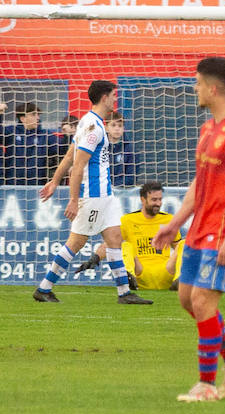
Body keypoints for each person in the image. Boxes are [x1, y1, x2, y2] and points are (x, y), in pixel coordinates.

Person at [152, 58, 225, 401]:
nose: (194, 89)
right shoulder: (208, 128)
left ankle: (206, 385)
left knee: (202, 301)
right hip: (200, 228)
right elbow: (200, 184)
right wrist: (174, 223)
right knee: (187, 300)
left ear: (212, 88)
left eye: (197, 83)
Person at [32, 80, 152, 306]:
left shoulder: (90, 122)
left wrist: (54, 181)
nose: (115, 99)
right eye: (113, 95)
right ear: (104, 98)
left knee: (115, 238)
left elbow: (69, 156)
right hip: (93, 195)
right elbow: (77, 165)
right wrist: (73, 200)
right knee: (76, 242)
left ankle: (125, 293)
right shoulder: (93, 128)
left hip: (106, 195)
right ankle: (44, 288)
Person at [75, 180, 185, 291]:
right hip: (140, 273)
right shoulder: (128, 220)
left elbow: (179, 249)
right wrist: (95, 259)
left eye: (160, 199)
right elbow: (110, 243)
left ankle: (180, 281)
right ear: (143, 199)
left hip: (166, 273)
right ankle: (129, 278)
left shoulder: (169, 220)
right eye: (154, 200)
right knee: (126, 245)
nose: (158, 203)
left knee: (184, 243)